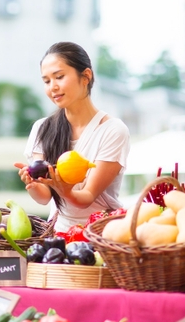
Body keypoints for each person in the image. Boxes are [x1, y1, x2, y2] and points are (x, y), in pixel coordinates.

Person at [15, 41, 130, 232]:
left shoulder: (113, 131)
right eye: (46, 81)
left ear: (86, 76)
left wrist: (66, 190)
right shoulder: (43, 128)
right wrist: (33, 183)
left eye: (59, 77)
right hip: (58, 236)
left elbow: (86, 197)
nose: (53, 87)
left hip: (104, 235)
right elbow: (44, 197)